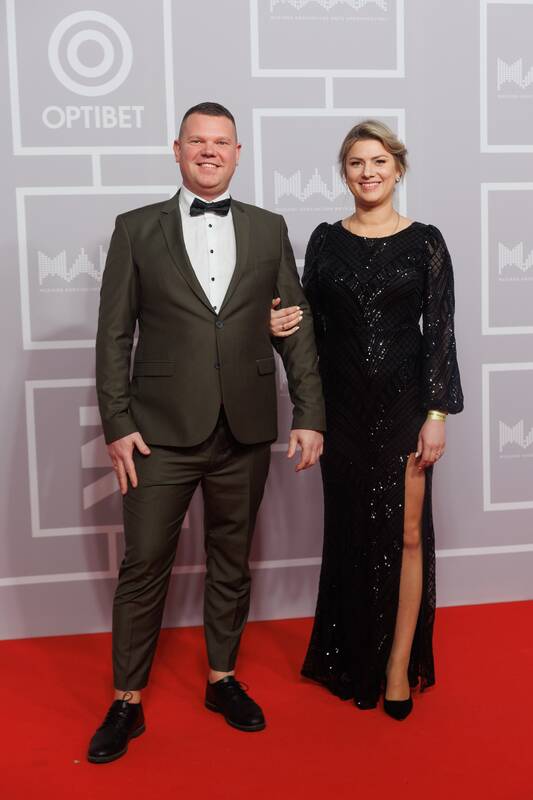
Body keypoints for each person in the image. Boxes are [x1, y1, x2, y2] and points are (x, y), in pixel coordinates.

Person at [88, 102, 325, 763]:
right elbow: (113, 335)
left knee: (231, 560)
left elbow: (294, 324)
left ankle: (222, 679)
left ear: (238, 153)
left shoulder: (269, 227)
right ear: (177, 149)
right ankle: (126, 700)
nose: (209, 151)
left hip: (243, 429)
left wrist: (309, 412)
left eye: (221, 142)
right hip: (158, 433)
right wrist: (117, 422)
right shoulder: (135, 229)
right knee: (143, 565)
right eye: (198, 141)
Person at [270, 120, 463, 720]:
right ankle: (356, 656)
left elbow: (441, 335)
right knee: (351, 533)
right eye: (356, 162)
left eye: (379, 161)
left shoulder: (426, 242)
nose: (368, 172)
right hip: (343, 413)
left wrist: (436, 414)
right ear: (344, 173)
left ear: (398, 169)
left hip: (406, 410)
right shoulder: (325, 241)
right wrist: (276, 327)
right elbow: (307, 327)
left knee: (407, 535)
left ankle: (398, 665)